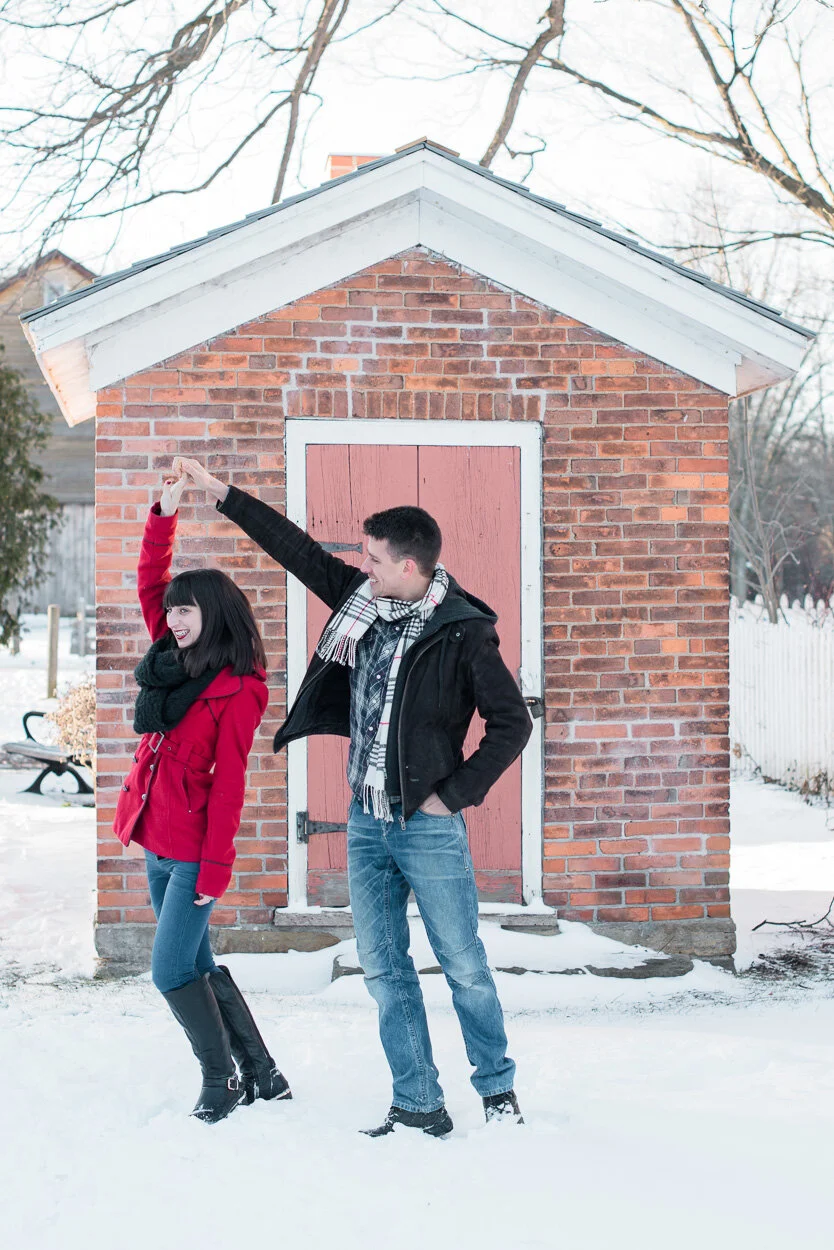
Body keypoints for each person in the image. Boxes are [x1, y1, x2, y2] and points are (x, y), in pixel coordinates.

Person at [176, 455, 532, 1138]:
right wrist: (217, 491)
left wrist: (452, 796)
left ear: (409, 565)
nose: (361, 566)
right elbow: (295, 548)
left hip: (426, 825)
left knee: (463, 965)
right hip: (366, 820)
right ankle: (418, 1102)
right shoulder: (360, 602)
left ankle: (497, 1090)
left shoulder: (463, 632)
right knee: (385, 969)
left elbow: (512, 724)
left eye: (373, 558)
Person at [113, 471, 291, 1124]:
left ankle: (222, 1080)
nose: (175, 619)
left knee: (169, 972)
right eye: (173, 611)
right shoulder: (171, 657)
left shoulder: (240, 688)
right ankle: (265, 1073)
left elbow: (232, 784)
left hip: (191, 854)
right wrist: (163, 513)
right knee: (198, 961)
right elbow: (150, 582)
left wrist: (216, 868)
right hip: (155, 841)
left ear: (213, 614)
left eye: (187, 611)